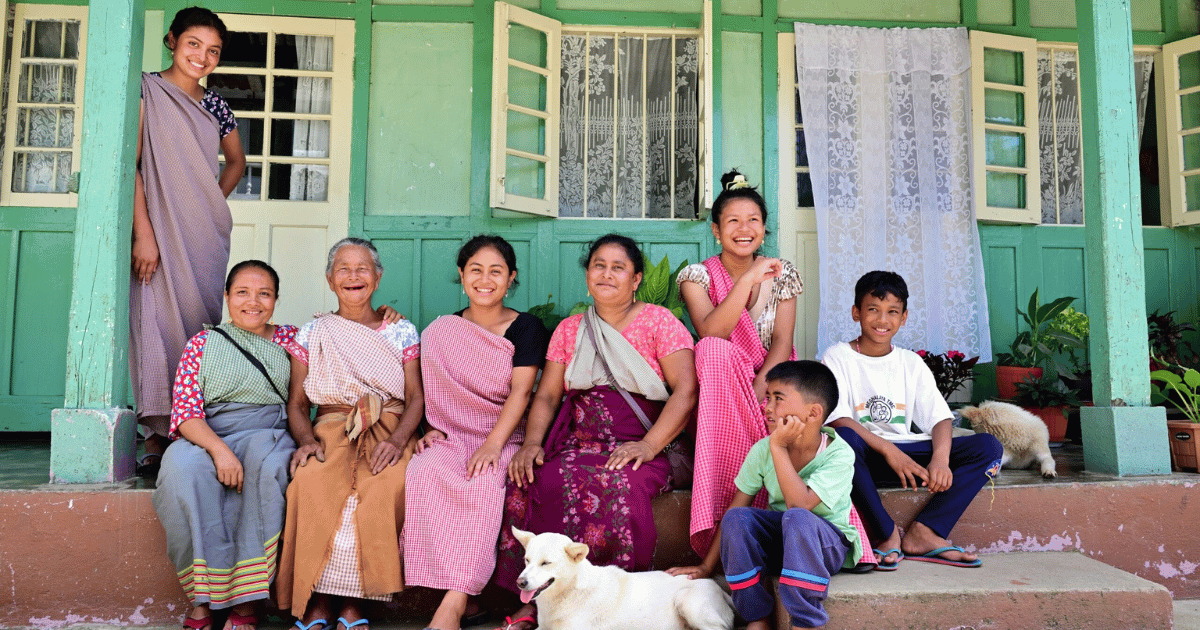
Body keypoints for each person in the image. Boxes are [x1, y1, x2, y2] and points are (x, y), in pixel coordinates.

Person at [493, 234, 698, 630]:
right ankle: (536, 603)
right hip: (579, 442)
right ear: (587, 275)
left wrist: (650, 444)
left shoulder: (659, 323)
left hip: (643, 442)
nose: (606, 274)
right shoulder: (570, 330)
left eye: (618, 267)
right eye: (598, 266)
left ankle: (612, 608)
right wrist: (533, 443)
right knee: (538, 479)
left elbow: (686, 390)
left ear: (636, 279)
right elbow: (549, 396)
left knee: (619, 484)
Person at [276, 238, 425, 630]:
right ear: (329, 280)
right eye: (343, 268)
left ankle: (356, 603)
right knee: (309, 484)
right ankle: (317, 600)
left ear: (377, 278)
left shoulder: (401, 331)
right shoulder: (312, 332)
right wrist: (307, 441)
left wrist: (397, 441)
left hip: (388, 428)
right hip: (330, 429)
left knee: (384, 487)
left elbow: (415, 398)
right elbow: (296, 404)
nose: (353, 276)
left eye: (363, 268)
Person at [403, 236, 549, 630]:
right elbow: (436, 392)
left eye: (496, 272)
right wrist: (431, 430)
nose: (485, 280)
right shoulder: (442, 331)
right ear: (461, 275)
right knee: (424, 471)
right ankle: (454, 599)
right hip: (452, 434)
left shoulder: (527, 327)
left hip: (501, 435)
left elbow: (521, 393)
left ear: (511, 277)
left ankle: (455, 601)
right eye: (476, 270)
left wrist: (492, 444)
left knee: (483, 484)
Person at [153, 260, 301, 630]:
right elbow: (186, 413)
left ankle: (247, 603)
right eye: (242, 293)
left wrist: (383, 315)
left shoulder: (293, 340)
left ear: (276, 299)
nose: (253, 302)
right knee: (183, 472)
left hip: (268, 431)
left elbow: (343, 334)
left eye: (264, 294)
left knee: (266, 474)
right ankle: (202, 600)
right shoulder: (203, 343)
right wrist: (219, 450)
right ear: (226, 297)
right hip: (207, 431)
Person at [821, 271, 1002, 569]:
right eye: (873, 310)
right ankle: (886, 534)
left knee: (987, 447)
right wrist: (890, 452)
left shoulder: (909, 362)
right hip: (862, 459)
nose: (882, 320)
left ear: (904, 317)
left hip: (911, 459)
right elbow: (839, 419)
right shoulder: (837, 357)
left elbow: (941, 419)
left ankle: (926, 531)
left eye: (892, 312)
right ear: (856, 313)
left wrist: (941, 460)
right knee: (842, 441)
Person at [132, 7, 248, 474]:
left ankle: (193, 429)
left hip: (203, 234)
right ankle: (157, 436)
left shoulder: (216, 106)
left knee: (200, 330)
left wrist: (207, 200)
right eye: (194, 44)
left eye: (213, 51)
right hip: (154, 231)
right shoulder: (145, 90)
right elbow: (133, 165)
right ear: (171, 40)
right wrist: (145, 232)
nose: (203, 56)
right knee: (155, 326)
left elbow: (236, 162)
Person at [671, 360, 863, 630]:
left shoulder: (838, 454)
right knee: (738, 518)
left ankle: (806, 621)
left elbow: (801, 504)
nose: (767, 406)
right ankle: (757, 616)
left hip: (824, 547)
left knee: (797, 517)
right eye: (768, 397)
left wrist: (778, 447)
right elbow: (733, 514)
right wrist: (706, 567)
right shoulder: (763, 450)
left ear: (813, 413)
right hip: (784, 542)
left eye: (778, 399)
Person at [677, 169, 803, 556]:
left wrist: (758, 389)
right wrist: (747, 278)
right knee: (713, 351)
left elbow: (782, 343)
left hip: (771, 382)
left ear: (764, 230)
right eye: (732, 221)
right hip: (720, 390)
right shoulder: (696, 276)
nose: (743, 228)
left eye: (753, 221)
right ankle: (721, 513)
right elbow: (711, 332)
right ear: (716, 230)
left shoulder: (783, 275)